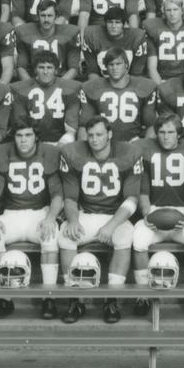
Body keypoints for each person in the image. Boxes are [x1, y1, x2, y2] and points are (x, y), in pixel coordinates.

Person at [57, 116, 143, 323]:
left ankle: (112, 300)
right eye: (91, 135)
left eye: (99, 135)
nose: (94, 140)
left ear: (110, 134)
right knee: (66, 236)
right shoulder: (73, 153)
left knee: (125, 236)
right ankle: (74, 299)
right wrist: (73, 220)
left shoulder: (129, 153)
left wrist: (112, 225)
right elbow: (69, 197)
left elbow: (132, 199)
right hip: (86, 213)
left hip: (116, 215)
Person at [0, 118, 65, 318]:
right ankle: (3, 299)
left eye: (28, 135)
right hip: (12, 214)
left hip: (39, 213)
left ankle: (49, 297)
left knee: (51, 235)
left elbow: (57, 195)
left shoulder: (48, 154)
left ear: (36, 137)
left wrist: (51, 217)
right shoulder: (4, 154)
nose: (23, 140)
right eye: (19, 136)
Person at [130, 113, 184, 312]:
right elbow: (143, 192)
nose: (166, 137)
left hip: (182, 215)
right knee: (138, 239)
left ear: (179, 134)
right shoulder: (147, 152)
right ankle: (142, 294)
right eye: (161, 132)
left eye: (171, 132)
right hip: (155, 212)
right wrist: (146, 214)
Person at [10, 50, 82, 145]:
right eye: (41, 67)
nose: (45, 71)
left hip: (60, 142)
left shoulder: (70, 89)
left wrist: (61, 145)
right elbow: (21, 126)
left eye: (49, 67)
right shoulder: (20, 89)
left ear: (56, 70)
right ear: (35, 69)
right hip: (32, 142)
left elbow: (70, 131)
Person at [144, 0, 184, 83]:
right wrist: (162, 89)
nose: (172, 14)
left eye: (175, 9)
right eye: (168, 10)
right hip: (163, 78)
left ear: (182, 11)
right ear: (163, 12)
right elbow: (151, 68)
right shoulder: (153, 28)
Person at [79, 7, 149, 79]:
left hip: (128, 82)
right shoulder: (92, 35)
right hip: (102, 81)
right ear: (105, 23)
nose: (113, 26)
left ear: (124, 24)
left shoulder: (136, 37)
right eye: (110, 22)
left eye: (117, 22)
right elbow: (92, 72)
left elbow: (136, 74)